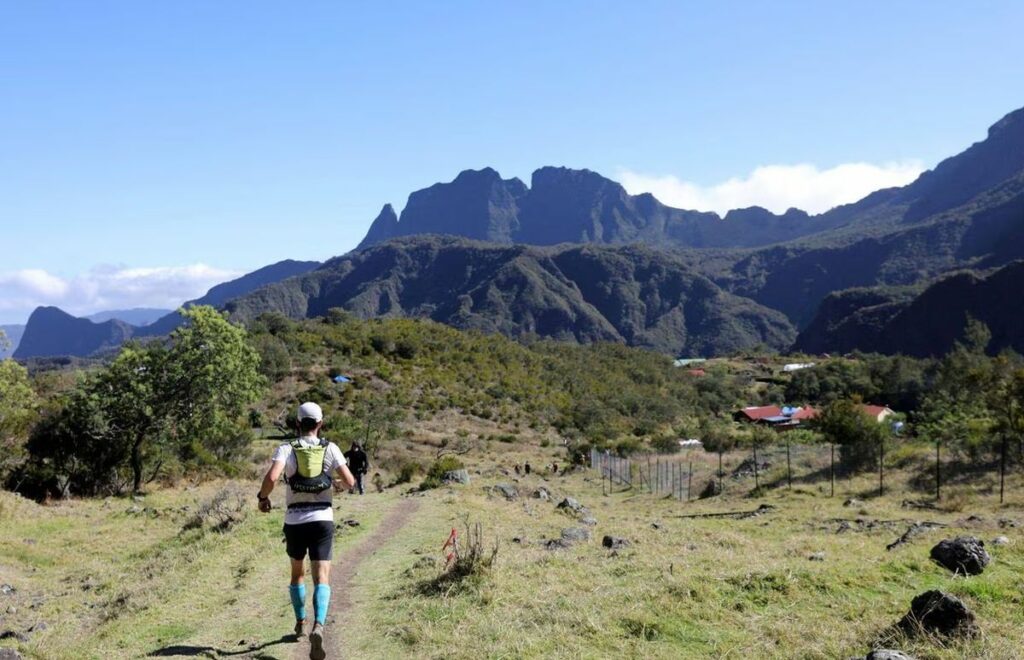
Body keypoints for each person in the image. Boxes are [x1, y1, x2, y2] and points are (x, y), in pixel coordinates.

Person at [258, 402, 355, 660]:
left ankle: (301, 622)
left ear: (298, 424)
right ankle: (318, 626)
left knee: (297, 574)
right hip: (323, 519)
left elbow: (271, 479)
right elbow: (350, 481)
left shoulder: (287, 448)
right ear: (320, 424)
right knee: (321, 577)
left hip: (294, 520)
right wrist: (334, 485)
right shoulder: (330, 448)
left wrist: (262, 498)